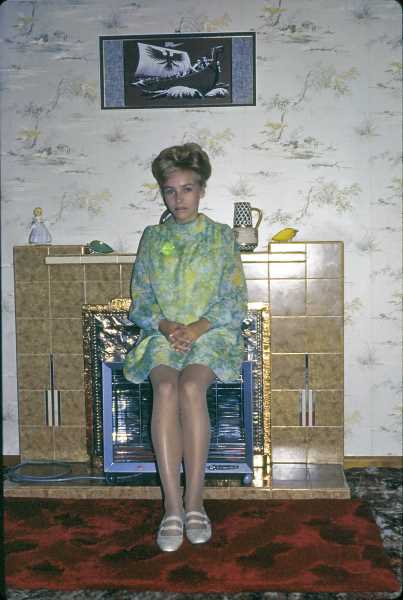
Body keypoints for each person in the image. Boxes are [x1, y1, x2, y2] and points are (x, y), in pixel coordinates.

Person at [123, 142, 247, 552]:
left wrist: (195, 328)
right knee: (165, 387)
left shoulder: (221, 236)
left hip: (210, 333)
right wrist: (166, 325)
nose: (178, 198)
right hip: (163, 333)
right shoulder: (153, 237)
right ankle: (172, 509)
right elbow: (141, 301)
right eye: (170, 191)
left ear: (202, 190)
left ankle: (196, 503)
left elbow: (234, 300)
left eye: (187, 189)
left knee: (191, 387)